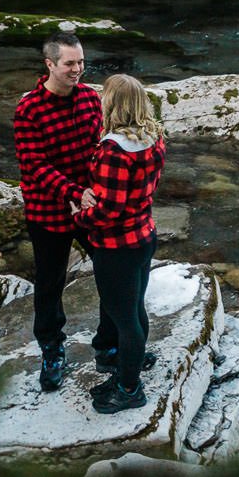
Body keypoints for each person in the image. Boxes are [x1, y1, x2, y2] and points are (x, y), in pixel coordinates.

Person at [12, 31, 102, 392]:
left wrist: (100, 187)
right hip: (49, 209)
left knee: (113, 267)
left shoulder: (90, 98)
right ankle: (52, 350)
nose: (77, 69)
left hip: (89, 204)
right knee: (50, 283)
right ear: (49, 64)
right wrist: (72, 192)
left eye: (80, 62)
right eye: (69, 64)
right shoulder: (28, 109)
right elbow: (34, 165)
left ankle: (110, 346)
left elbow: (99, 146)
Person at [75, 72, 166, 415]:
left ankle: (129, 388)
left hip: (117, 247)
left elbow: (109, 211)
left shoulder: (114, 151)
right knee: (134, 308)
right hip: (144, 236)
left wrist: (80, 216)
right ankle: (132, 364)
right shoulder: (154, 139)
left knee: (125, 319)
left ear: (112, 104)